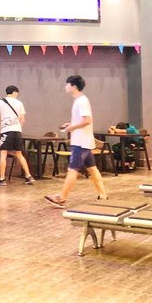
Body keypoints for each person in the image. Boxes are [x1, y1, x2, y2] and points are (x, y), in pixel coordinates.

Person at [45, 75, 107, 208]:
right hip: (84, 141)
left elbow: (87, 120)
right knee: (92, 169)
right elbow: (82, 120)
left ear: (73, 86)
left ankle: (62, 198)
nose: (66, 86)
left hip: (81, 142)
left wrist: (72, 127)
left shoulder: (82, 101)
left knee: (73, 169)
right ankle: (102, 195)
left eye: (67, 84)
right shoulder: (80, 100)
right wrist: (71, 124)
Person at [0, 85, 34, 186]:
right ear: (14, 92)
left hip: (6, 131)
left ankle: (2, 179)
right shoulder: (20, 103)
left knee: (3, 154)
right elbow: (22, 120)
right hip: (17, 131)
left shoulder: (0, 102)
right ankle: (28, 176)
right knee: (19, 154)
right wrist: (18, 128)